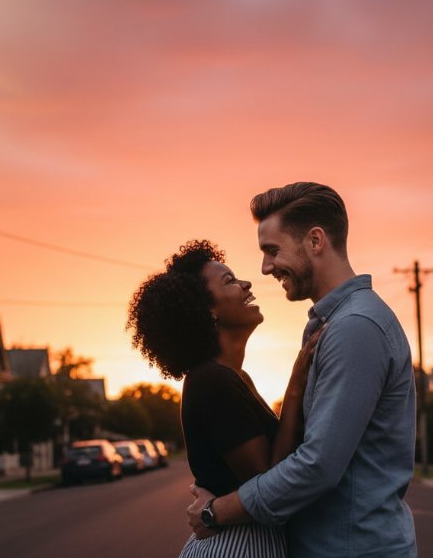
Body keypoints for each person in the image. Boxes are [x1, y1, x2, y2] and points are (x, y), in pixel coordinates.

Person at [187, 182, 418, 558]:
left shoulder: (355, 327)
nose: (264, 268)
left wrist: (216, 511)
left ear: (315, 241)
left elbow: (316, 467)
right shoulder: (331, 326)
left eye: (272, 251)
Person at [127, 239, 323, 557]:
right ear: (209, 311)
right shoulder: (211, 381)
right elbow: (268, 482)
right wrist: (296, 385)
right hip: (235, 546)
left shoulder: (231, 378)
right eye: (229, 281)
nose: (246, 284)